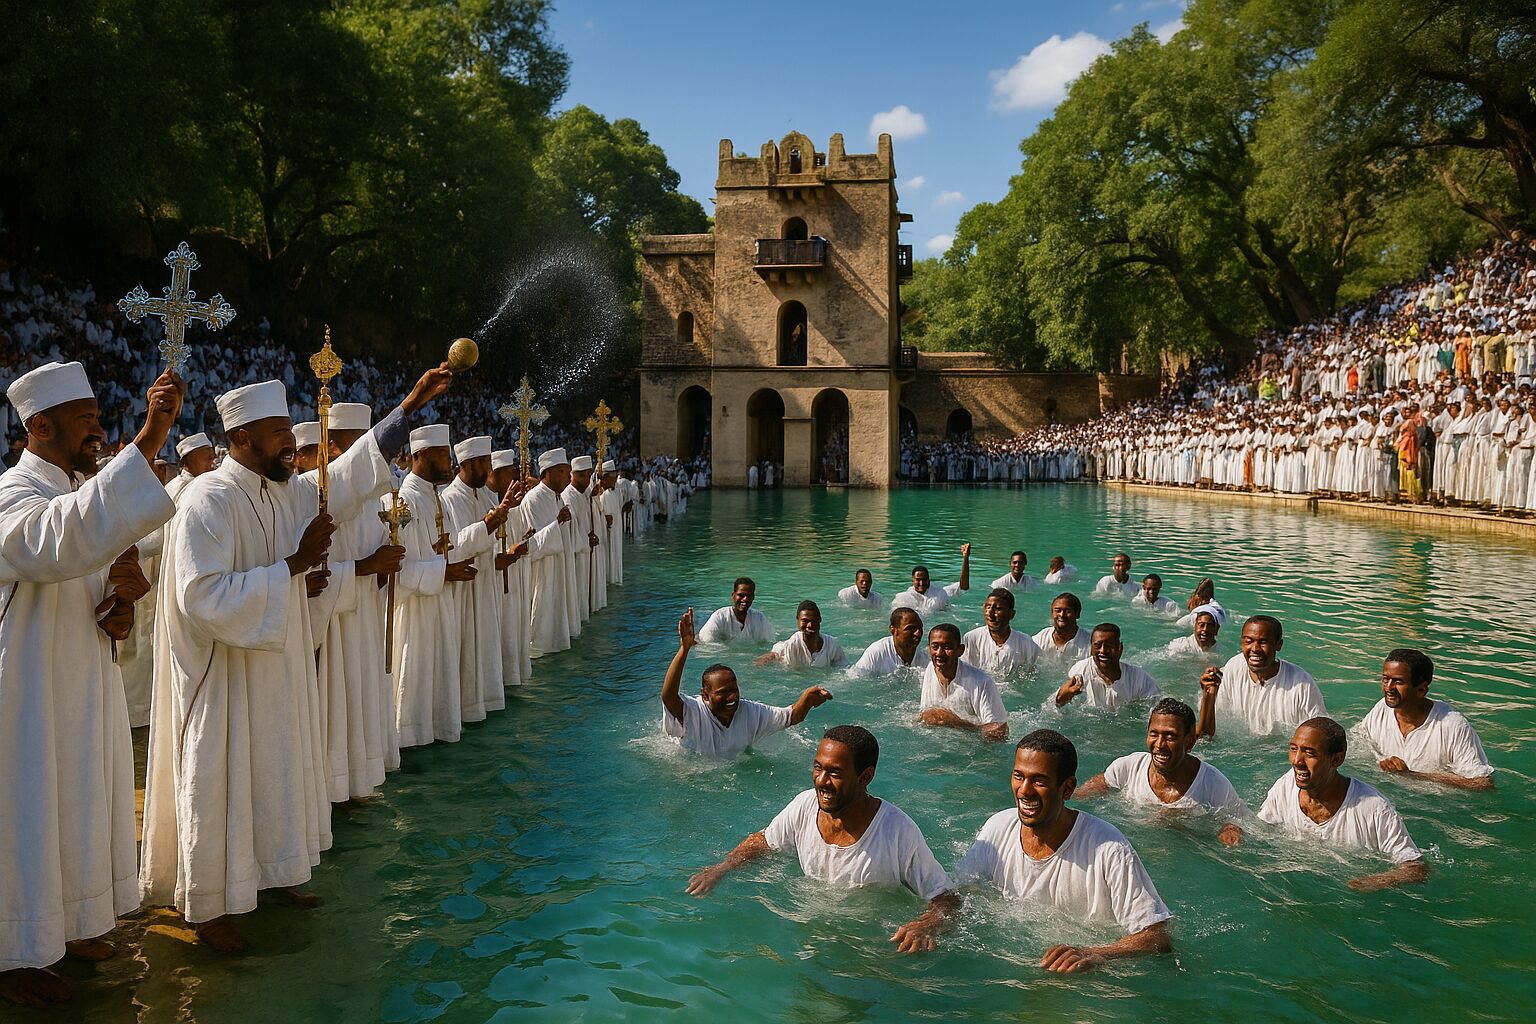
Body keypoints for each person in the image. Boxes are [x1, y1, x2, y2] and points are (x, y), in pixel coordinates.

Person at [141, 364, 453, 954]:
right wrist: (291, 570)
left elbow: (351, 474)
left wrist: (409, 404)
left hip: (277, 667)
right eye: (279, 431)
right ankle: (207, 907)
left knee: (277, 771)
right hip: (225, 679)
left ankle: (272, 874)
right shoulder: (208, 499)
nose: (293, 441)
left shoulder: (284, 490)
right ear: (239, 439)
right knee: (221, 779)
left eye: (290, 429)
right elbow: (201, 597)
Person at [0, 363, 182, 1006]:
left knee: (77, 801)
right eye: (85, 421)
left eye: (98, 418)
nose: (98, 430)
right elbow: (61, 543)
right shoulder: (12, 496)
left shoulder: (76, 491)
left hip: (83, 681)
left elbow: (95, 579)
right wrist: (150, 438)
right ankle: (13, 951)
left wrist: (122, 601)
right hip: (25, 694)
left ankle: (70, 923)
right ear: (39, 427)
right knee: (25, 813)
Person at [685, 725, 957, 954]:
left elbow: (947, 898)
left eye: (835, 773)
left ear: (865, 777)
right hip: (810, 937)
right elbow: (764, 841)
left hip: (867, 950)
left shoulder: (898, 831)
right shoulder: (804, 805)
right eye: (818, 768)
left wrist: (927, 924)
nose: (822, 781)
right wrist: (724, 867)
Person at [954, 730, 1173, 973]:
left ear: (1068, 788)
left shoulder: (1109, 849)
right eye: (1019, 776)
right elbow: (959, 897)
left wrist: (1095, 953)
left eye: (1039, 781)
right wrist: (930, 923)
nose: (1024, 791)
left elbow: (1157, 936)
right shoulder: (997, 829)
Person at [308, 403, 405, 801]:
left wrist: (384, 570)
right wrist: (364, 568)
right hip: (333, 628)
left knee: (362, 705)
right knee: (334, 711)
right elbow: (311, 577)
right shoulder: (317, 495)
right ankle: (333, 790)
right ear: (333, 448)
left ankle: (360, 784)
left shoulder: (376, 502)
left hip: (365, 621)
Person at [387, 425, 479, 748]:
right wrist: (445, 571)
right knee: (413, 687)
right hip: (415, 615)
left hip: (439, 607)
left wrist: (445, 558)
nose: (449, 461)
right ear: (420, 455)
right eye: (442, 454)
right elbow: (398, 572)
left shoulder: (434, 498)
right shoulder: (405, 500)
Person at [1257, 718, 1429, 891]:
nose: (1297, 761)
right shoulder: (1285, 786)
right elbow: (1260, 832)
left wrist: (1374, 882)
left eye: (1310, 754)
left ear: (1337, 760)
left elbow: (1416, 868)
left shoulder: (1374, 808)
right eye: (1293, 749)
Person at [660, 609, 832, 756]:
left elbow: (790, 716)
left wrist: (807, 698)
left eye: (734, 689)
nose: (732, 697)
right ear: (705, 695)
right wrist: (684, 650)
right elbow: (669, 696)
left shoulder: (750, 712)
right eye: (723, 692)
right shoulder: (693, 711)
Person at [1075, 699, 1247, 844]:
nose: (1159, 744)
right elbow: (1101, 783)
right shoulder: (1128, 766)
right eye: (1154, 734)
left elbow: (1235, 822)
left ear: (1189, 742)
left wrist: (1229, 836)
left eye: (1170, 736)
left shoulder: (1214, 784)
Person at [440, 435, 517, 724]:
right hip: (463, 590)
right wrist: (490, 521)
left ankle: (485, 700)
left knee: (484, 643)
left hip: (485, 584)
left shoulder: (484, 496)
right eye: (484, 463)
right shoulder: (450, 498)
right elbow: (457, 546)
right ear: (468, 464)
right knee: (465, 650)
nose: (489, 469)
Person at [1351, 648, 1494, 790]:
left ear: (1421, 690)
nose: (1389, 688)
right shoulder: (1382, 709)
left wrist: (1413, 775)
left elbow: (1482, 784)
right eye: (1385, 679)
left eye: (1398, 682)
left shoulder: (1452, 725)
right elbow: (1357, 742)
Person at [1197, 615, 1326, 739]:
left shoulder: (1302, 684)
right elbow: (1206, 737)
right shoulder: (1233, 668)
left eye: (1263, 642)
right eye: (1249, 641)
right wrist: (1208, 696)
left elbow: (1321, 736)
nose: (1255, 648)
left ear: (1278, 645)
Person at [522, 448, 578, 656]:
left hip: (558, 565)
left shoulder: (558, 498)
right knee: (541, 616)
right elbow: (532, 544)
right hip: (541, 571)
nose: (568, 476)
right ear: (550, 471)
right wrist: (558, 523)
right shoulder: (533, 499)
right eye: (564, 471)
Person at [918, 624, 1008, 742]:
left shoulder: (982, 682)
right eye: (935, 647)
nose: (939, 653)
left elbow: (1000, 732)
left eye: (947, 647)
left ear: (960, 650)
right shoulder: (930, 668)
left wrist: (956, 723)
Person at [488, 450, 532, 686]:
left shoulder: (514, 505)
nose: (513, 479)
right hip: (491, 582)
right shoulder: (484, 502)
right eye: (508, 474)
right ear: (492, 474)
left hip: (512, 580)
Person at [1051, 624, 1161, 711]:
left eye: (1109, 646)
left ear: (1120, 648)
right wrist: (1060, 699)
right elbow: (1051, 708)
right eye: (1097, 646)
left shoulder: (1139, 679)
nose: (1103, 651)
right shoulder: (1080, 672)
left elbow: (1157, 709)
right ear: (1091, 648)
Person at [962, 587, 1041, 674]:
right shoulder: (971, 638)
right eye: (988, 607)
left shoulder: (1026, 643)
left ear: (1011, 614)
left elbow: (1034, 675)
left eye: (998, 609)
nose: (990, 613)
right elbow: (964, 672)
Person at [757, 600, 848, 668]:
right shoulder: (792, 644)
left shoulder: (832, 645)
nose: (810, 625)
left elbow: (843, 668)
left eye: (813, 621)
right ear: (798, 621)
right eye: (805, 621)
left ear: (820, 620)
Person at [889, 543, 971, 617]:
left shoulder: (939, 593)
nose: (921, 583)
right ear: (912, 580)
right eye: (918, 580)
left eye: (924, 580)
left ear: (929, 579)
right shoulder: (904, 598)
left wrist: (965, 559)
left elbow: (963, 586)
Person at [850, 607, 931, 675]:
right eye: (910, 629)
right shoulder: (877, 652)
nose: (918, 633)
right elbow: (855, 679)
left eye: (920, 628)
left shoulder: (924, 658)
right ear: (893, 630)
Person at [697, 576, 774, 644]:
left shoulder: (759, 618)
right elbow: (704, 642)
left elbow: (768, 644)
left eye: (748, 596)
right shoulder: (720, 616)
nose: (745, 599)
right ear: (733, 595)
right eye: (741, 595)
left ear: (753, 597)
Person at [1032, 593, 1092, 665]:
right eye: (1058, 610)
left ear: (1077, 614)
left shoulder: (1089, 643)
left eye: (1067, 611)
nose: (1062, 615)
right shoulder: (1039, 639)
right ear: (1052, 613)